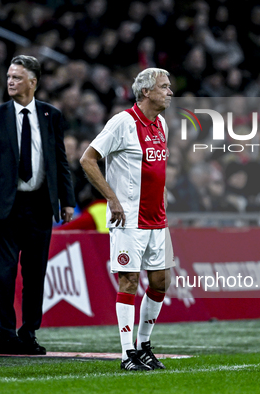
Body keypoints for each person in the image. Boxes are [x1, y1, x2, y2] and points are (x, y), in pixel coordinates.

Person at [0, 55, 75, 355]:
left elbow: (60, 161)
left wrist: (66, 199)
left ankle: (28, 333)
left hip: (40, 205)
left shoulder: (51, 115)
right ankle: (6, 335)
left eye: (17, 77)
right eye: (8, 77)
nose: (11, 82)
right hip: (5, 206)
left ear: (33, 82)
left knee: (35, 273)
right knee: (2, 273)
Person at [80, 68, 174, 371]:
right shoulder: (123, 122)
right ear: (146, 92)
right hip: (129, 218)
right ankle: (126, 353)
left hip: (157, 218)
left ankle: (144, 345)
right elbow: (87, 159)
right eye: (164, 86)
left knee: (161, 281)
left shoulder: (161, 124)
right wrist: (112, 197)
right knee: (130, 280)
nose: (170, 91)